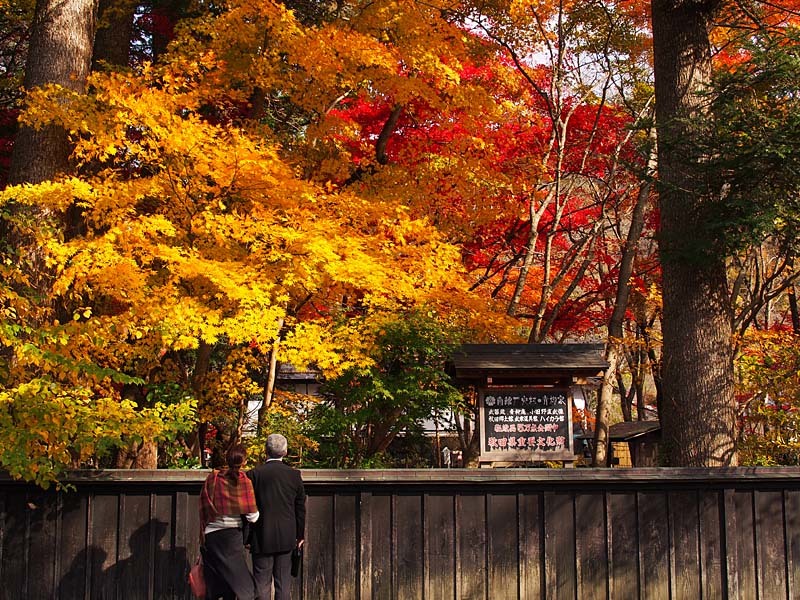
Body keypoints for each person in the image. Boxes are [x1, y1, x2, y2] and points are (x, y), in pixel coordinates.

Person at [248, 433, 306, 600]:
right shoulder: (294, 475)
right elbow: (300, 508)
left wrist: (247, 537)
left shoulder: (254, 475)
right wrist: (300, 535)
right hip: (287, 536)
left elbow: (247, 507)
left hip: (261, 534)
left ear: (265, 450)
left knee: (261, 585)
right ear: (285, 452)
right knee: (283, 584)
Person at [200, 443, 260, 600]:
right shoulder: (244, 481)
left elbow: (204, 505)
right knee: (244, 586)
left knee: (219, 582)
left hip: (211, 535)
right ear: (244, 462)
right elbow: (252, 517)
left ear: (227, 459)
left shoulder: (213, 478)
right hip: (231, 536)